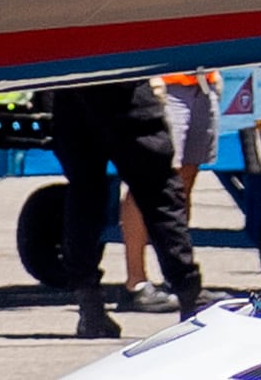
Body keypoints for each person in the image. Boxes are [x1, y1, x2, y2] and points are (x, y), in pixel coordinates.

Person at [47, 79, 202, 337]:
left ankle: (90, 307)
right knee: (160, 191)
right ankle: (190, 298)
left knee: (84, 195)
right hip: (119, 86)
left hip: (71, 84)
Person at [115, 71, 218, 314]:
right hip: (165, 81)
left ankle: (181, 280)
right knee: (149, 178)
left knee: (184, 179)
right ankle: (136, 283)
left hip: (203, 80)